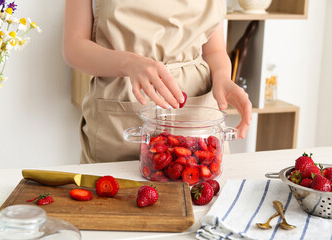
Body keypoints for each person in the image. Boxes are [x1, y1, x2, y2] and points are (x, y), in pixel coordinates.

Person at [63, 0, 252, 163]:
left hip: (197, 116)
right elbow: (74, 47)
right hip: (120, 123)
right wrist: (128, 63)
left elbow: (214, 51)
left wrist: (223, 78)